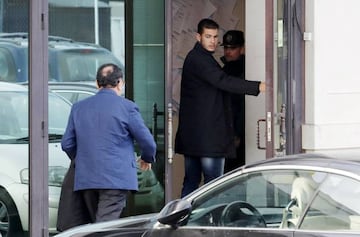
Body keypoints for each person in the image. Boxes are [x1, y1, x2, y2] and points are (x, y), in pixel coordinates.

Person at [175, 18, 265, 198]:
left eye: (215, 37)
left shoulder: (199, 58)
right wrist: (258, 87)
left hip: (195, 139)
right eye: (208, 36)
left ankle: (181, 220)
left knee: (192, 183)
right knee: (214, 187)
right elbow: (222, 81)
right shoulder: (200, 60)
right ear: (198, 37)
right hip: (207, 140)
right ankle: (206, 223)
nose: (213, 41)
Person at [60, 63, 156, 226]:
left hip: (87, 179)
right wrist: (147, 158)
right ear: (120, 83)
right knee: (104, 227)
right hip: (115, 178)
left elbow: (67, 143)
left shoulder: (78, 108)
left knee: (95, 225)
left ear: (97, 84)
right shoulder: (127, 107)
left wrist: (84, 158)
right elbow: (148, 143)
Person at [220, 30, 247, 173]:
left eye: (233, 48)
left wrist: (237, 132)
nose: (228, 52)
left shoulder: (243, 70)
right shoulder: (226, 69)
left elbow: (241, 105)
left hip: (237, 132)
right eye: (226, 48)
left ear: (241, 49)